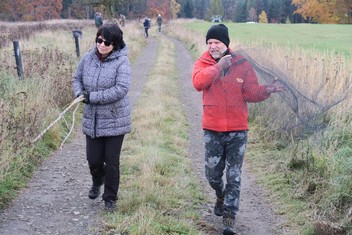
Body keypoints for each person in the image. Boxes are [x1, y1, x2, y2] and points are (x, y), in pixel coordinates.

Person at [192, 24, 285, 235]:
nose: (212, 46)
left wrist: (266, 90)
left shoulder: (242, 64)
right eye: (209, 43)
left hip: (238, 131)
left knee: (234, 176)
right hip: (212, 130)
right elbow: (198, 83)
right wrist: (218, 67)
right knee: (213, 175)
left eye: (216, 42)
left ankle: (229, 217)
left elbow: (250, 92)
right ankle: (220, 194)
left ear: (226, 43)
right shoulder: (203, 62)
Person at [73, 23, 131, 212]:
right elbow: (77, 78)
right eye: (99, 40)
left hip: (115, 120)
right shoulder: (87, 58)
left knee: (112, 161)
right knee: (94, 160)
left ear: (115, 44)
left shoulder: (122, 61)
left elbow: (121, 89)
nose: (102, 45)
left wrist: (93, 97)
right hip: (93, 120)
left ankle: (110, 198)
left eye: (107, 42)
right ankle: (98, 180)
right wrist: (79, 93)